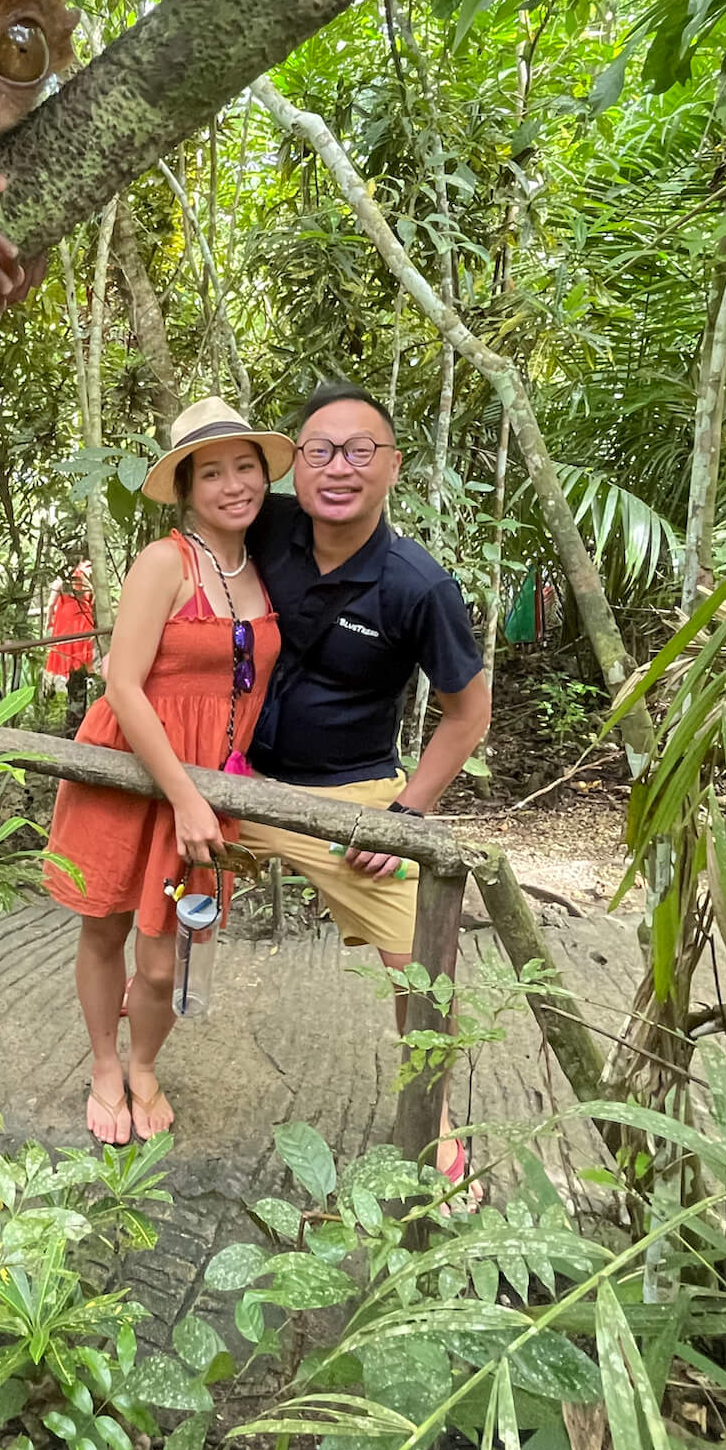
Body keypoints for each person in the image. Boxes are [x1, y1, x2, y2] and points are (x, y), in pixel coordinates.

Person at [240, 379, 491, 1190]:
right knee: (142, 900)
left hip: (352, 798)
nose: (337, 467)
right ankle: (126, 1072)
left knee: (420, 967)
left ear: (393, 466)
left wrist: (408, 812)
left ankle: (435, 1133)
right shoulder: (267, 527)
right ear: (294, 467)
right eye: (319, 450)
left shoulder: (420, 586)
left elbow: (467, 715)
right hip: (232, 776)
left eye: (359, 450)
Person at [43, 399, 289, 1145]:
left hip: (211, 785)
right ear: (186, 490)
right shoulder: (164, 562)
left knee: (167, 958)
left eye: (244, 466)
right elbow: (122, 683)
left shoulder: (265, 570)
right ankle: (104, 1066)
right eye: (210, 472)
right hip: (130, 773)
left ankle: (144, 1061)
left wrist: (214, 793)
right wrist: (184, 797)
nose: (232, 484)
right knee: (105, 928)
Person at [42, 563, 96, 690]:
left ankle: (65, 679)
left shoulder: (62, 580)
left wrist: (48, 621)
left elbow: (51, 604)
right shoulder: (86, 577)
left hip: (65, 619)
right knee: (82, 646)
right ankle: (85, 678)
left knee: (65, 646)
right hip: (84, 616)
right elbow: (93, 598)